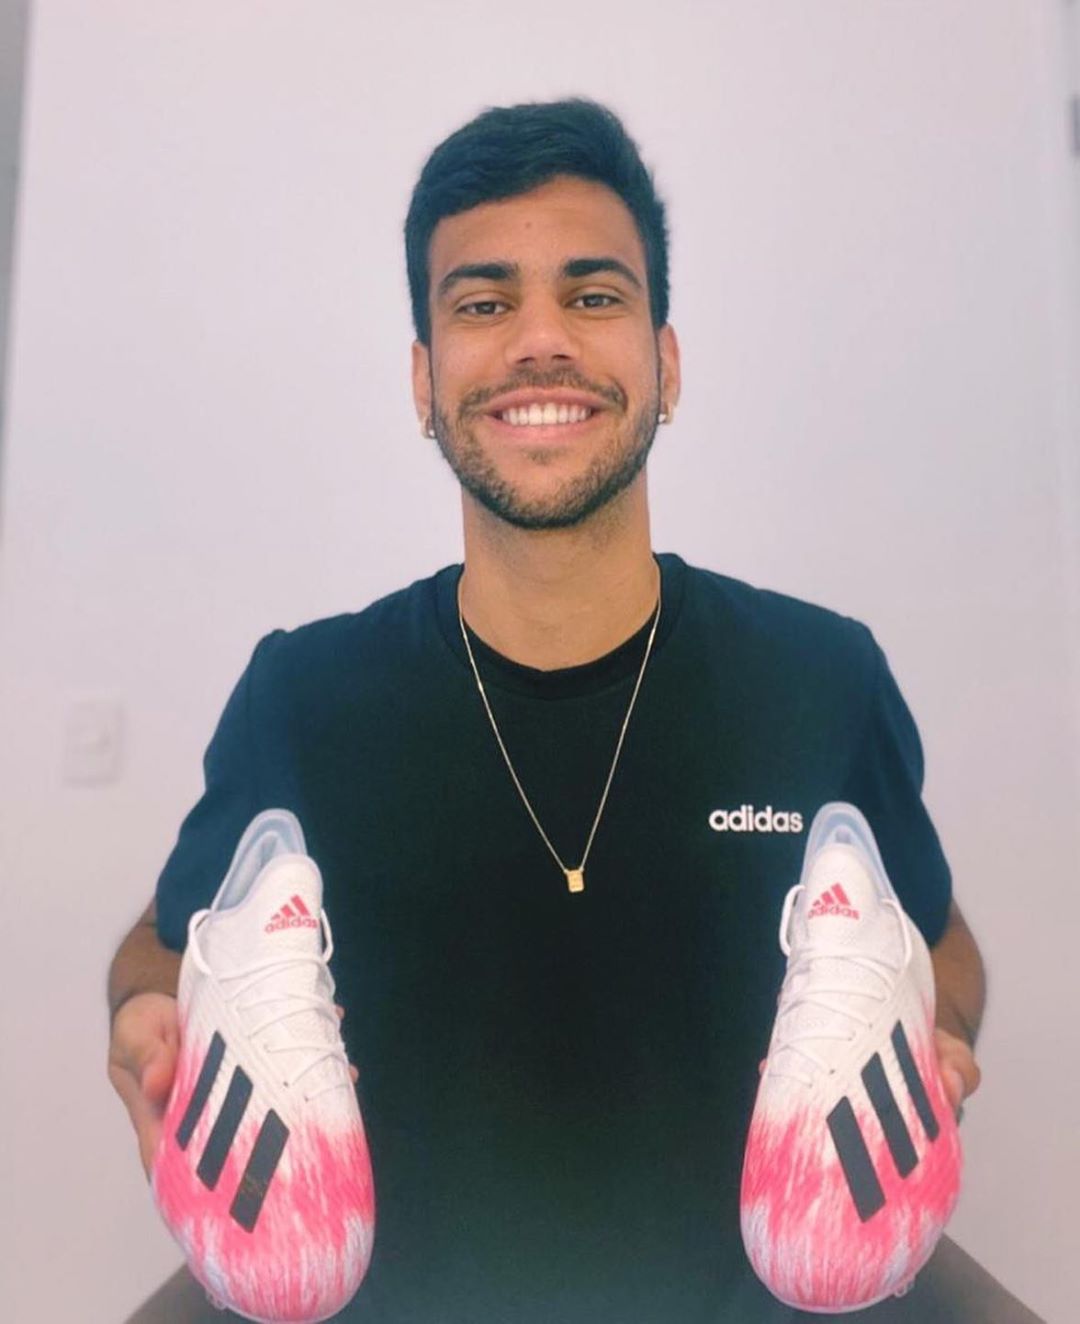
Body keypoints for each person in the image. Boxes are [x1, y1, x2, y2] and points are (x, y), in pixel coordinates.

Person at [108, 98, 984, 1322]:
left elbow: (939, 938)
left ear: (666, 364)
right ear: (425, 382)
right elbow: (163, 939)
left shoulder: (821, 675)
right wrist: (147, 1015)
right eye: (482, 304)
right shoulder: (302, 695)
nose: (539, 342)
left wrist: (935, 1032)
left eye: (593, 295)